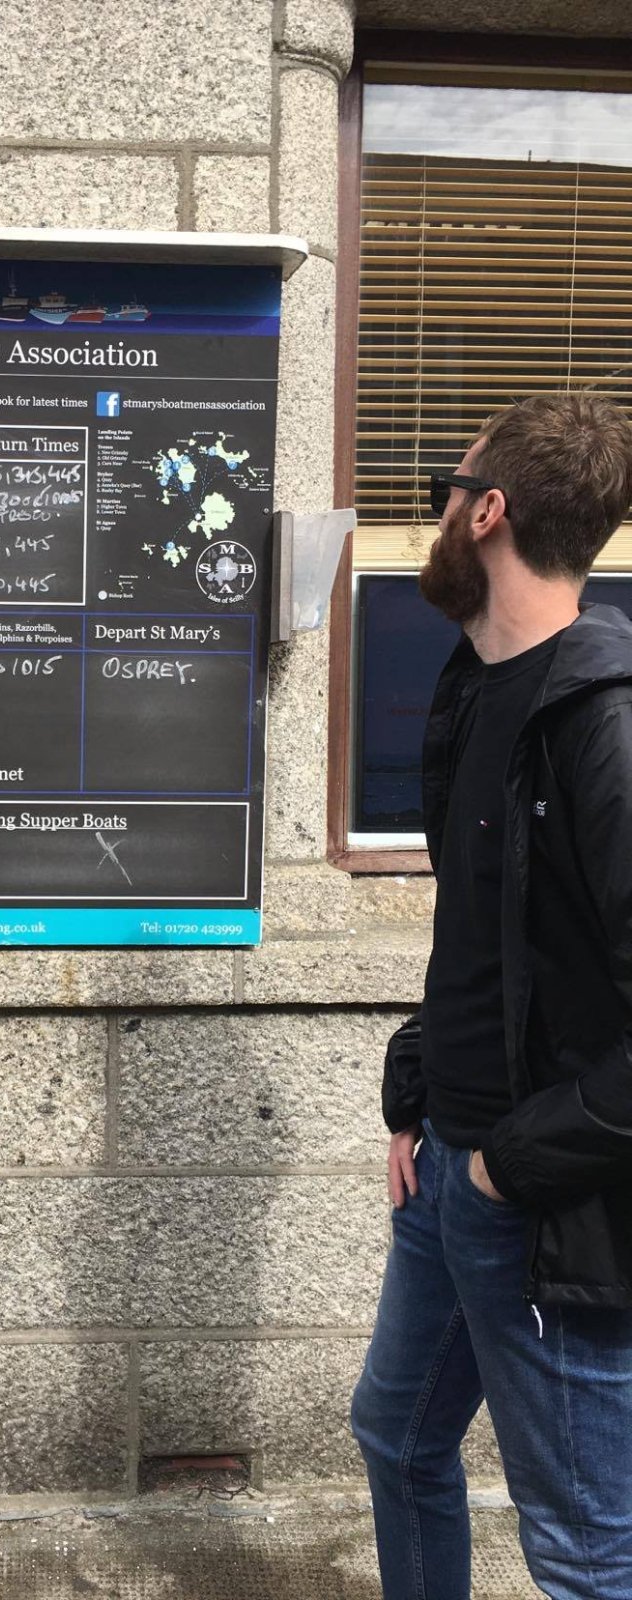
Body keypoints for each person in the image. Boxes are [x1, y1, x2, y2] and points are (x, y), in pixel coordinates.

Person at [351, 390, 632, 1600]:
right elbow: (488, 938)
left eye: (446, 494)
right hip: (451, 1169)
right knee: (398, 1435)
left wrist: (508, 1170)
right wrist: (418, 1090)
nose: (436, 519)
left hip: (543, 1207)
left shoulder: (603, 727)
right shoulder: (476, 691)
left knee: (585, 1549)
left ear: (490, 513)